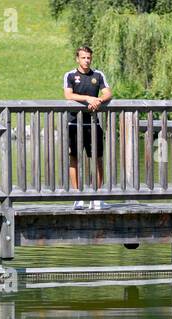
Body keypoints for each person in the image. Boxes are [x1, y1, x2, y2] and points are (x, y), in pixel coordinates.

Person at [63, 46, 112, 209]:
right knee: (74, 158)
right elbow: (68, 95)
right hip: (74, 123)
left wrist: (98, 100)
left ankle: (96, 197)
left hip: (93, 123)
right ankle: (78, 196)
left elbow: (108, 93)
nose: (86, 61)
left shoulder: (98, 75)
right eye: (83, 58)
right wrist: (88, 99)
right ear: (77, 59)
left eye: (89, 58)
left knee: (97, 159)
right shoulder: (70, 75)